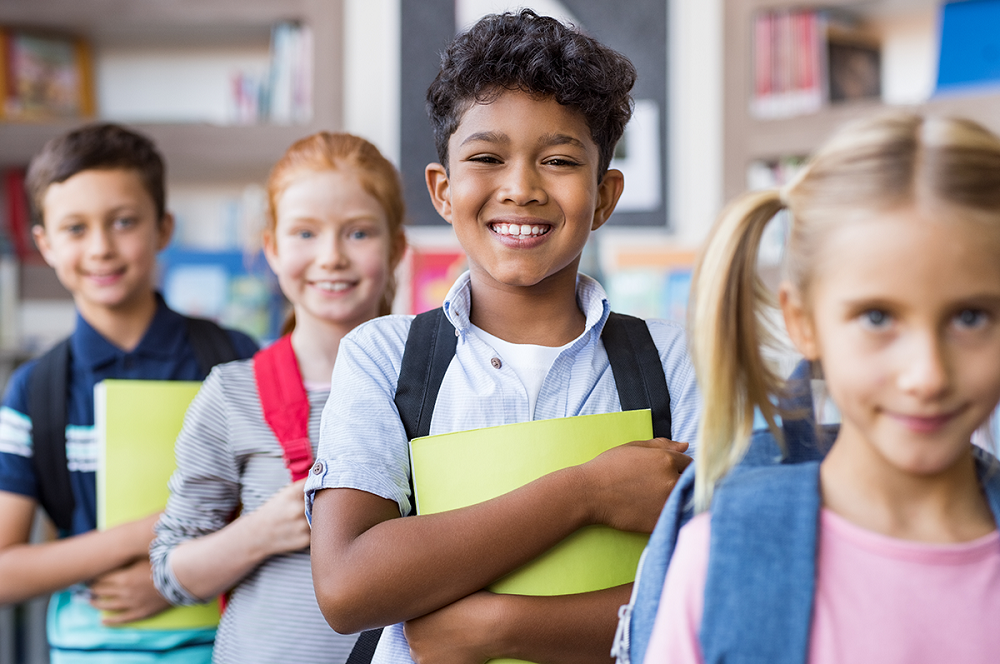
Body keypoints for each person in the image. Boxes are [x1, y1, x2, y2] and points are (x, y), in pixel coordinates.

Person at [306, 11, 701, 664]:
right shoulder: (384, 356)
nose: (521, 188)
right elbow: (349, 585)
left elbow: (709, 586)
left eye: (559, 160)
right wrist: (588, 492)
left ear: (604, 197)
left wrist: (498, 627)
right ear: (443, 189)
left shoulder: (675, 358)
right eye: (487, 158)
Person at [644, 111, 1000, 664]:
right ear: (803, 321)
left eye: (972, 317)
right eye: (878, 318)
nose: (928, 375)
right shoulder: (722, 563)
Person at [0, 123, 258, 663]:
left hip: (229, 644)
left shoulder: (236, 359)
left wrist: (172, 577)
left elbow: (279, 507)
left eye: (123, 222)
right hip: (88, 649)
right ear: (44, 243)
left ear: (163, 228)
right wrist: (152, 534)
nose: (101, 248)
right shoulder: (35, 390)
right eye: (75, 228)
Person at [150, 132, 407, 664]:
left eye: (358, 233)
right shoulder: (230, 394)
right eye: (305, 233)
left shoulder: (441, 383)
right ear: (271, 248)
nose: (331, 257)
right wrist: (261, 532)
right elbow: (172, 572)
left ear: (397, 247)